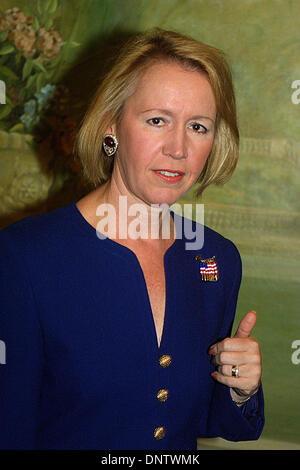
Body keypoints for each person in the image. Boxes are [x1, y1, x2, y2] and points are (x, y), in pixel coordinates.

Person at [0, 28, 264, 450]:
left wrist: (240, 388)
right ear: (112, 126)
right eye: (157, 120)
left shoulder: (216, 257)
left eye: (198, 126)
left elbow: (202, 417)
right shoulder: (24, 258)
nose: (178, 148)